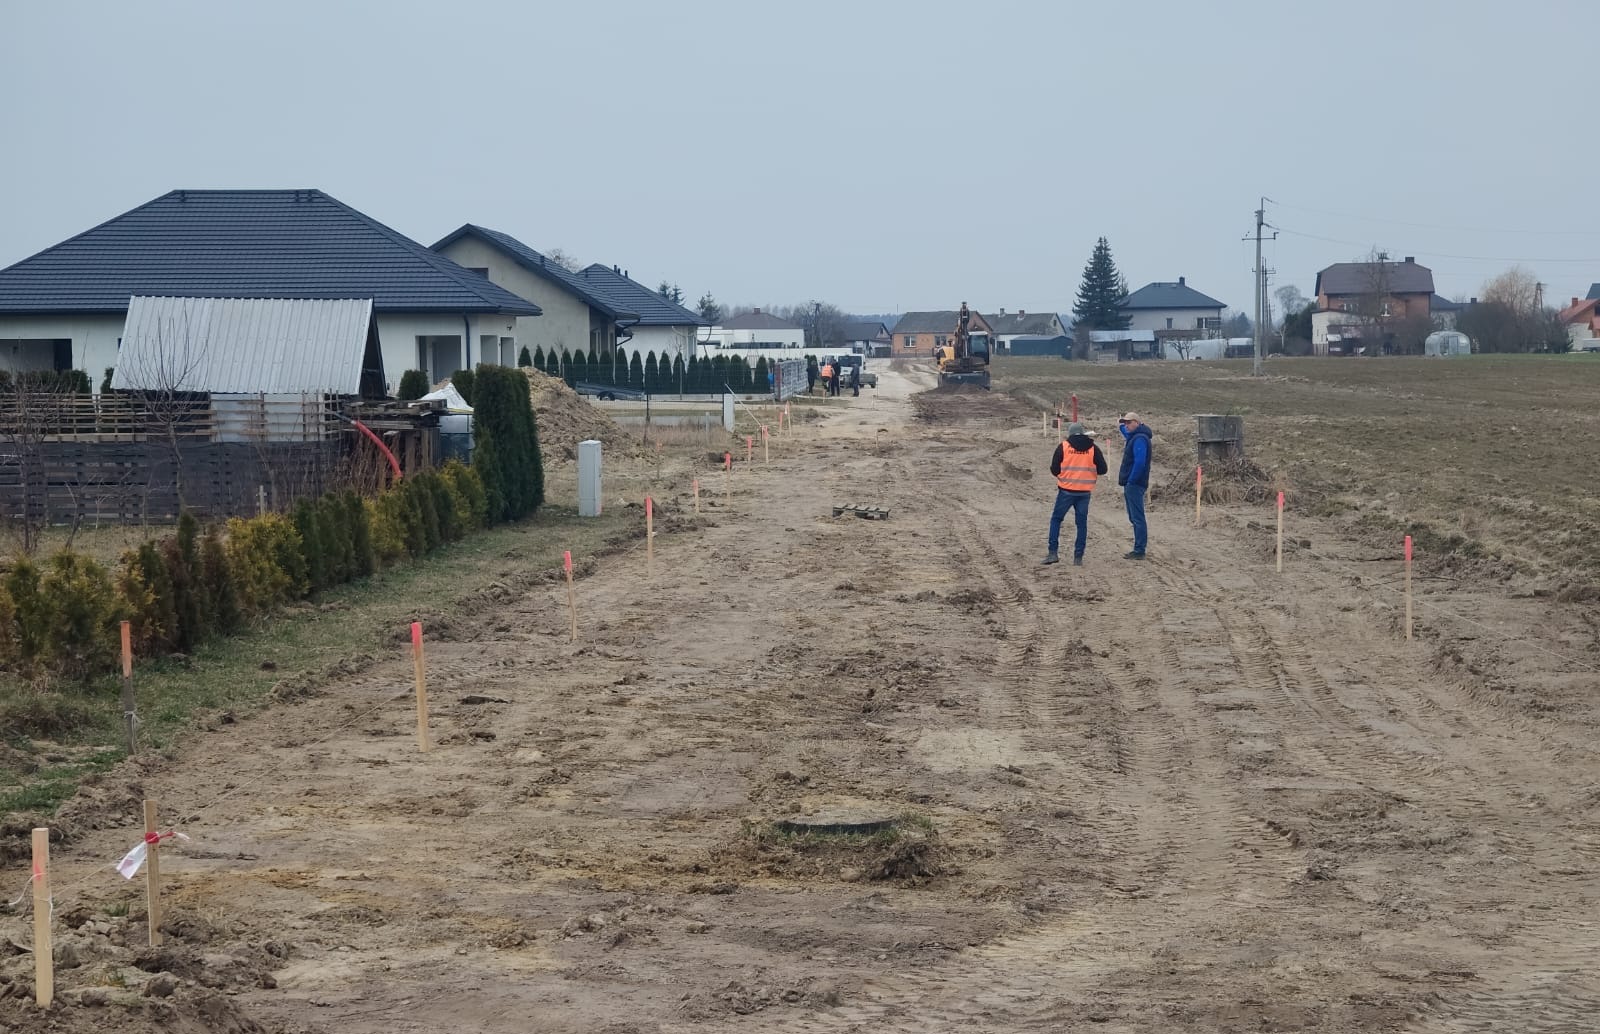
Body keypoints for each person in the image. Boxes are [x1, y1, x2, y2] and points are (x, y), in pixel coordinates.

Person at [1043, 422, 1107, 566]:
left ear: (1070, 433)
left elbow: (1054, 470)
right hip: (1084, 492)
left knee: (1056, 520)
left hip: (1066, 490)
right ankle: (1078, 557)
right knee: (1081, 524)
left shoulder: (1063, 446)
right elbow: (1103, 470)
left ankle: (1053, 553)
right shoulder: (1093, 448)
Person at [1117, 412, 1153, 559]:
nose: (1126, 425)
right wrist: (1121, 425)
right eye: (1125, 423)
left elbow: (1139, 462)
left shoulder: (1139, 439)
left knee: (1137, 517)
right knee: (1134, 517)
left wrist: (1131, 480)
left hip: (1135, 484)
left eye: (1128, 423)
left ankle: (1139, 550)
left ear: (1137, 423)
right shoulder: (1135, 436)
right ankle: (1139, 548)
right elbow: (1124, 431)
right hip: (1133, 483)